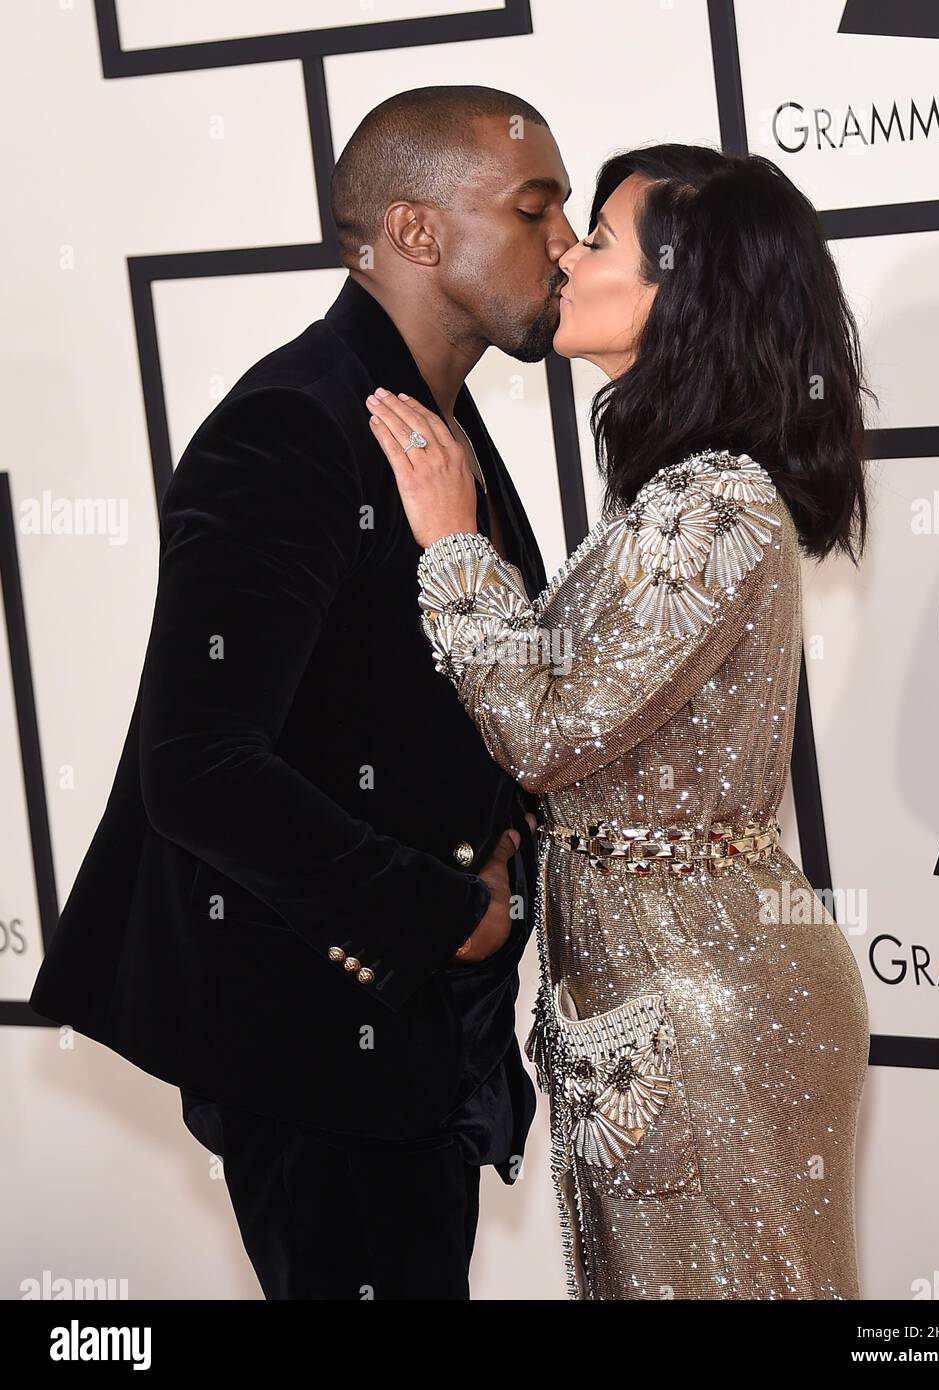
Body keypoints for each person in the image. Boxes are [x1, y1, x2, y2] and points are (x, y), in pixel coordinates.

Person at [28, 86, 579, 1300]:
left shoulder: (440, 423)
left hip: (417, 1036)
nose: (566, 241)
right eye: (535, 207)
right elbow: (200, 766)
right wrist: (449, 912)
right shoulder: (291, 424)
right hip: (315, 1039)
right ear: (417, 232)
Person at [365, 144, 874, 1300]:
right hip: (644, 988)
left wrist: (450, 544)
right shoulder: (670, 492)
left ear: (679, 292)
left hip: (703, 1003)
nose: (564, 254)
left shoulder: (719, 501)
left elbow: (546, 734)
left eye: (595, 238)